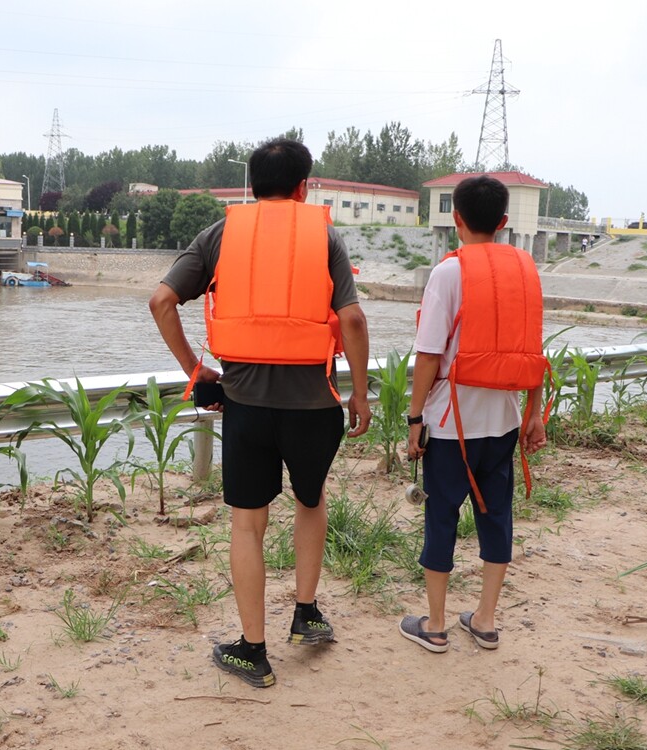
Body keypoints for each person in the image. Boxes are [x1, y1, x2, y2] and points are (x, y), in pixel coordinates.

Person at [149, 138, 371, 687]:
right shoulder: (324, 235)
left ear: (252, 184)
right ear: (302, 188)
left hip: (247, 407)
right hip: (315, 407)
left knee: (248, 524)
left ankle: (253, 650)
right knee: (310, 500)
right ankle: (306, 613)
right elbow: (354, 321)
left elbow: (160, 301)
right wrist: (361, 393)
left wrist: (195, 370)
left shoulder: (221, 234)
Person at [399, 175, 547, 653]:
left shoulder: (449, 272)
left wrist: (414, 417)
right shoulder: (526, 269)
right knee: (497, 517)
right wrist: (535, 413)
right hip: (504, 421)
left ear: (456, 219)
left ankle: (437, 625)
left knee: (441, 517)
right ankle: (484, 620)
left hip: (449, 427)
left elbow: (427, 353)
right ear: (504, 223)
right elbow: (533, 349)